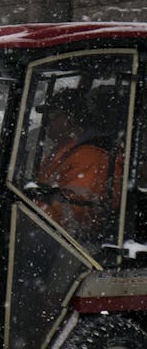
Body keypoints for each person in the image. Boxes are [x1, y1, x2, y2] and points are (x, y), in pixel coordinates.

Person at [35, 89, 113, 240]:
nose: (47, 121)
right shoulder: (62, 150)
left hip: (73, 247)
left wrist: (34, 212)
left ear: (70, 118)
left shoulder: (90, 156)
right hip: (50, 233)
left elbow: (79, 211)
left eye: (53, 115)